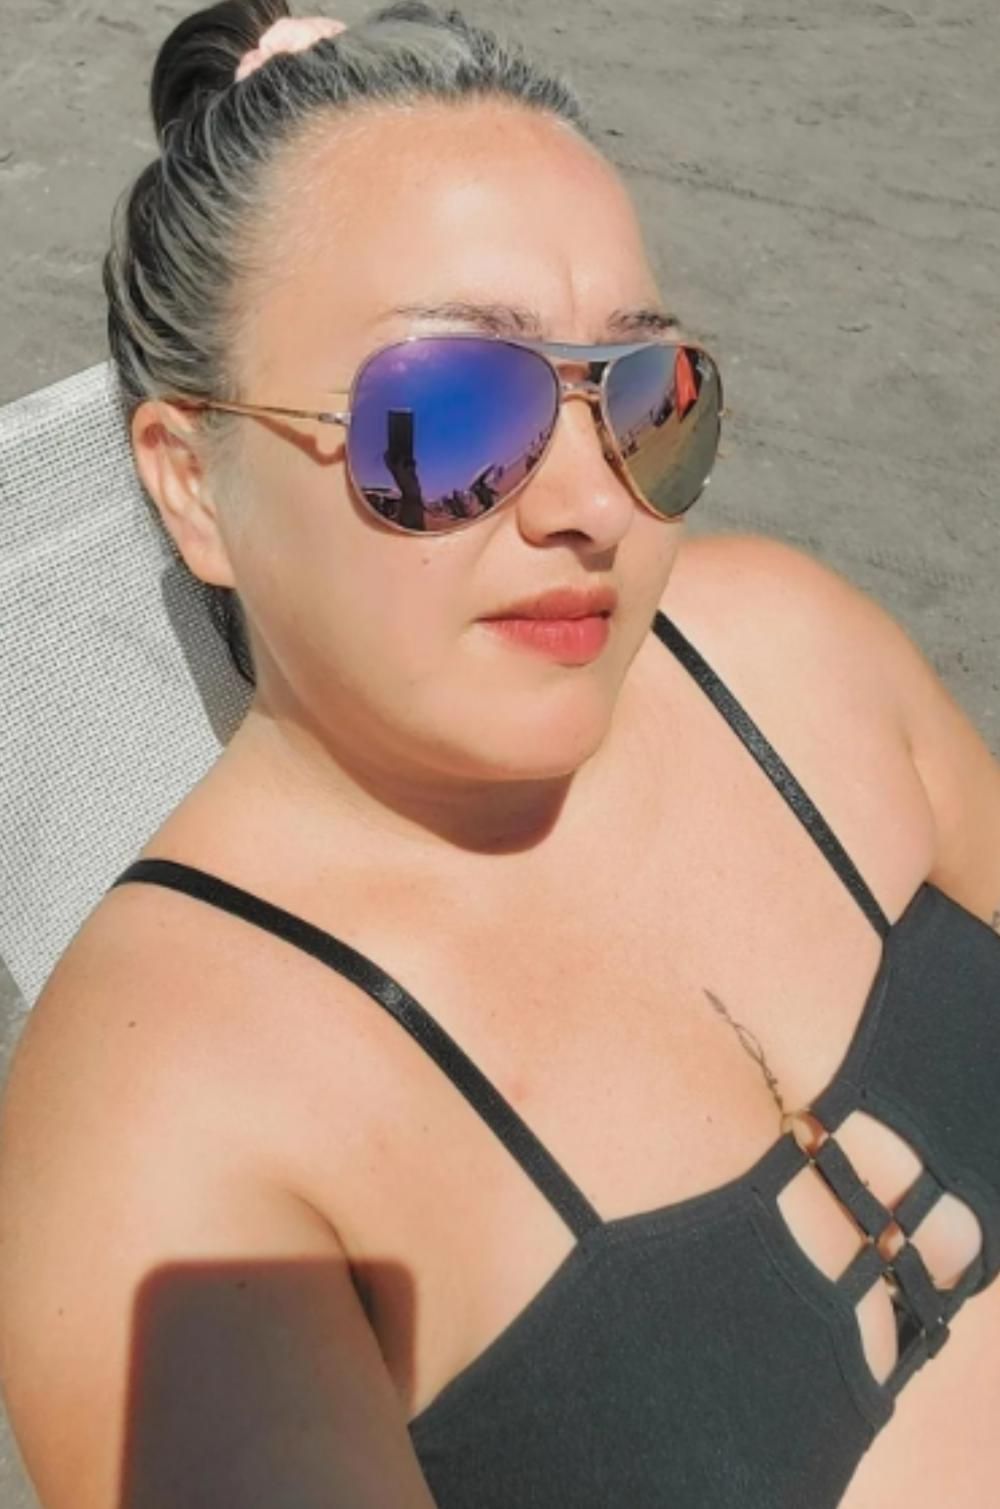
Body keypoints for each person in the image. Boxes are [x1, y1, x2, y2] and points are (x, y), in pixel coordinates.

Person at [1, 3, 998, 1507]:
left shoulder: (798, 662)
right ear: (192, 483)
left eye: (647, 395)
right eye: (451, 415)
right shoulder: (163, 1132)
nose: (590, 504)